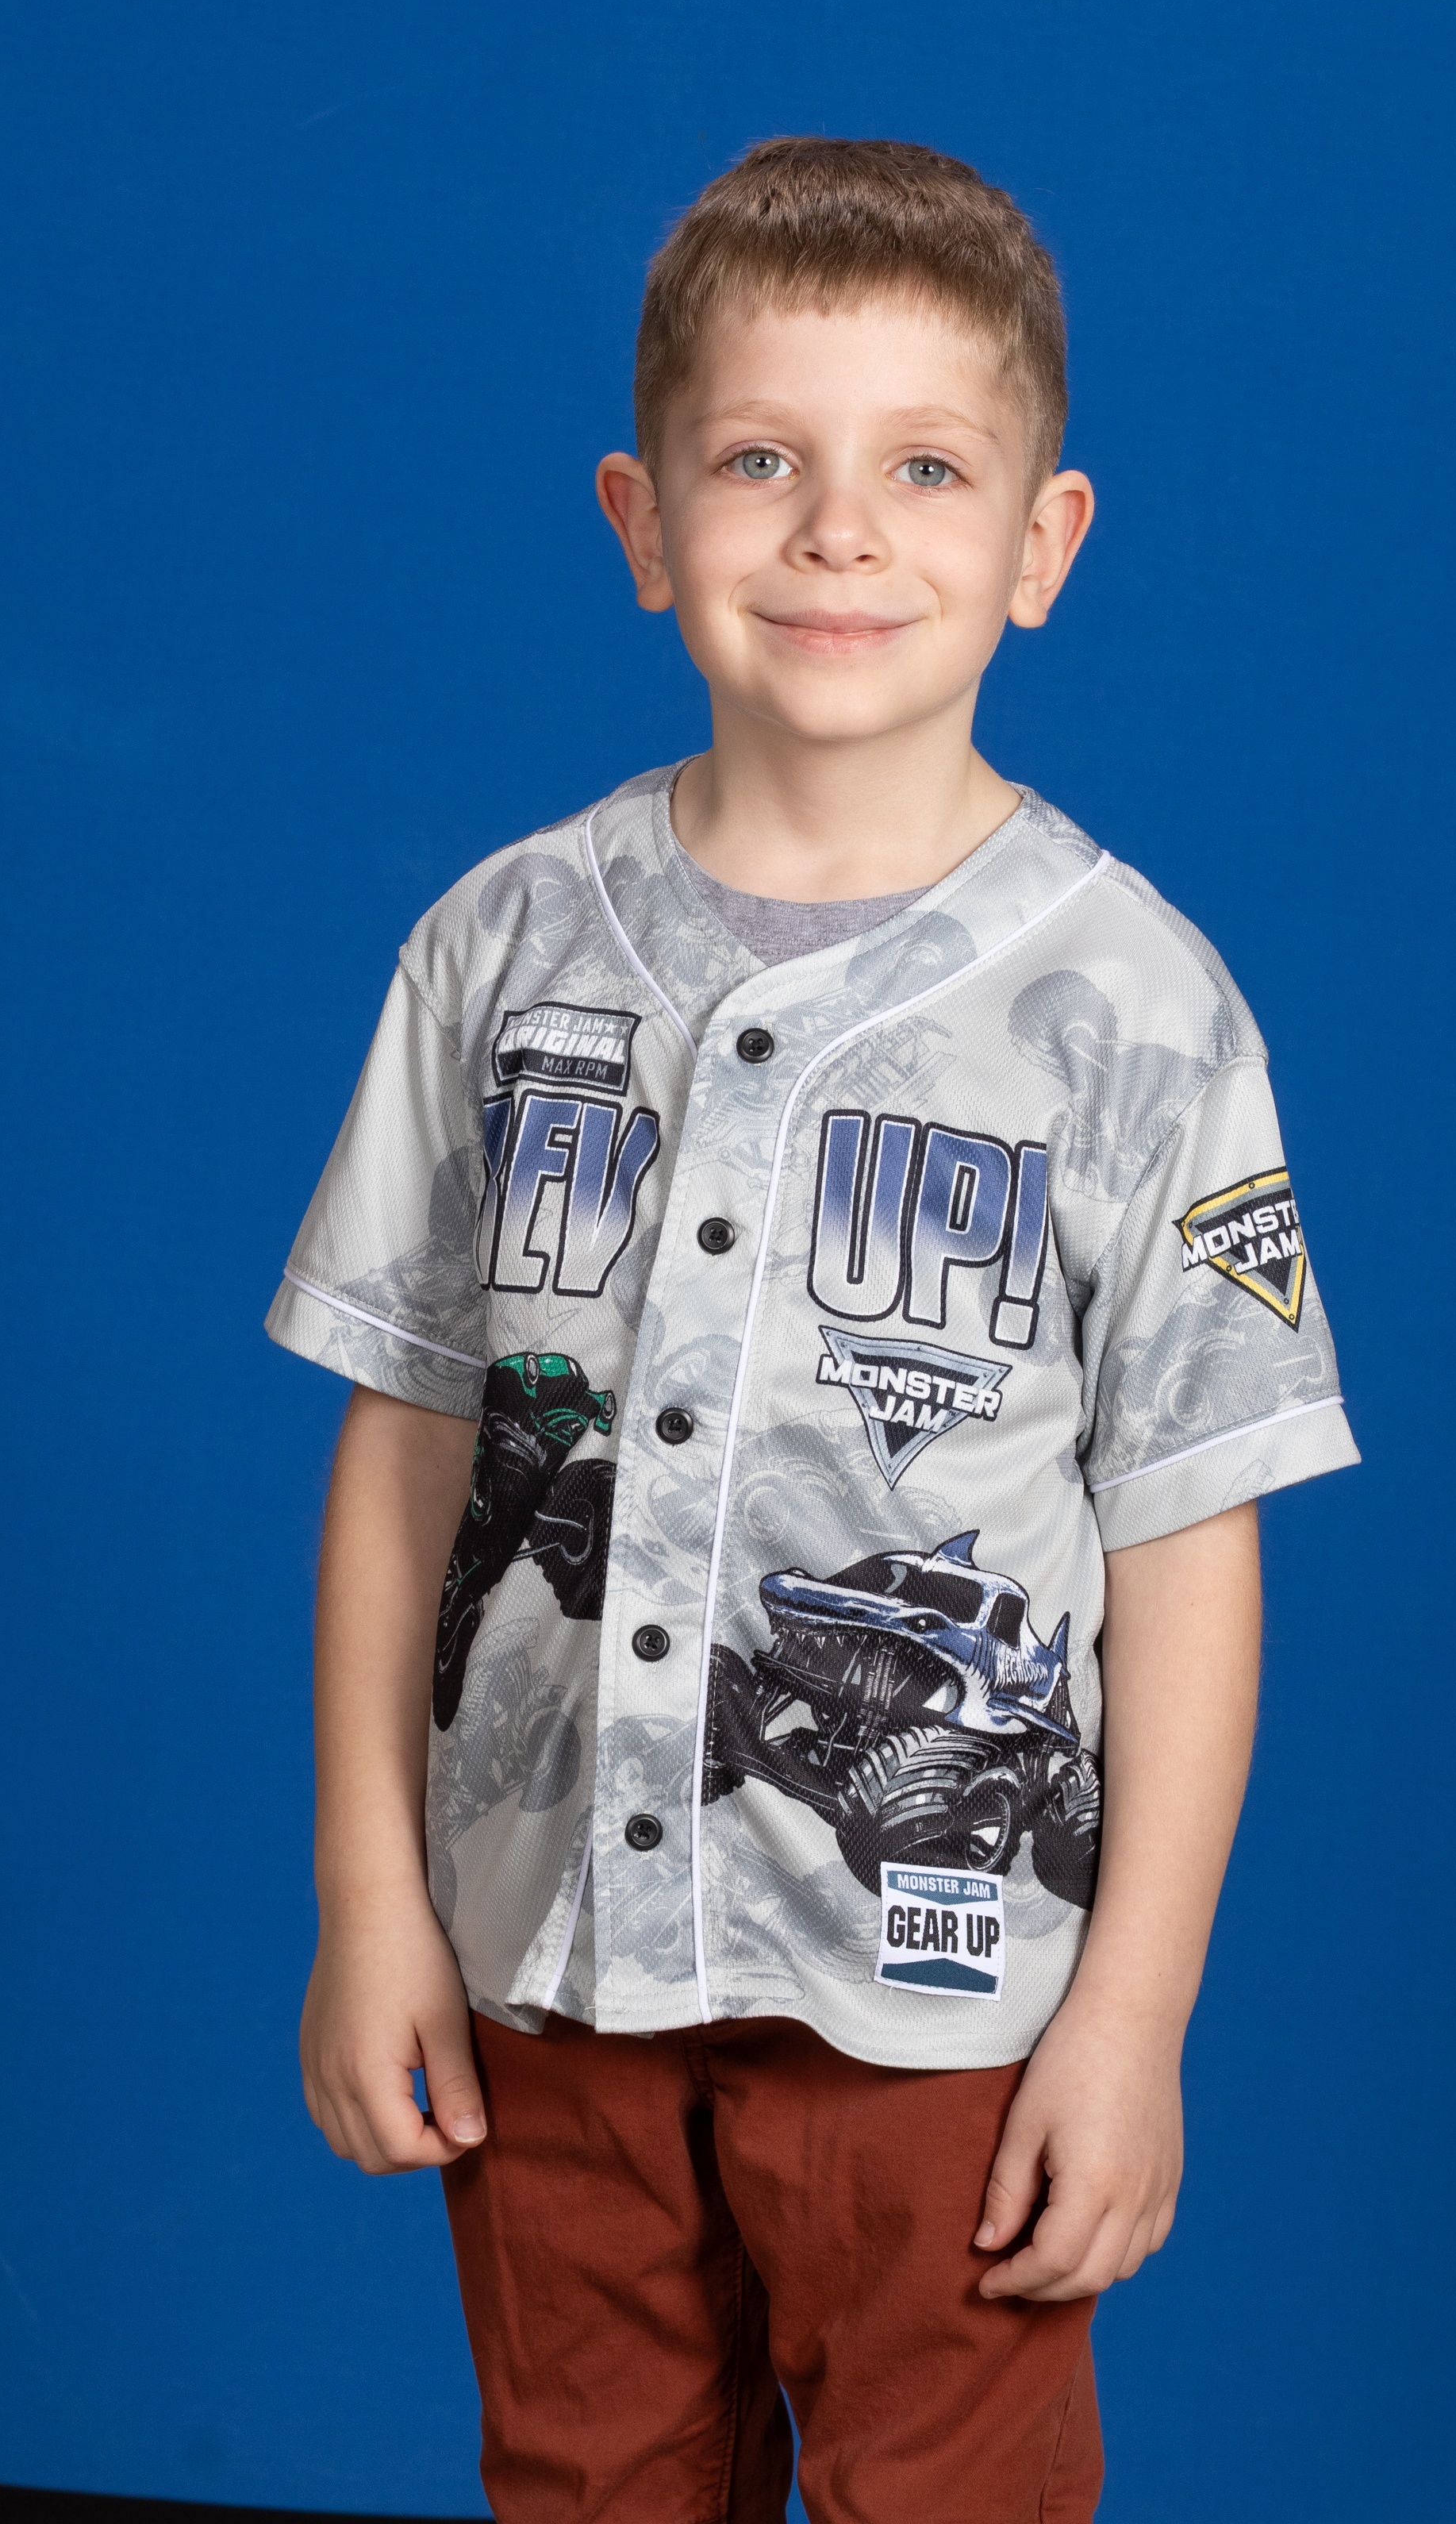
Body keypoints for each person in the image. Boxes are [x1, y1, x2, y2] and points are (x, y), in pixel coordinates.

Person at [266, 136, 1358, 2522]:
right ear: (643, 523)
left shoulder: (1138, 1013)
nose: (840, 533)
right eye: (760, 460)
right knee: (585, 2486)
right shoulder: (498, 949)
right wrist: (371, 1898)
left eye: (925, 471)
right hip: (547, 1954)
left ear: (1043, 543)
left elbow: (1187, 1539)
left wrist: (1136, 2017)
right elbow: (417, 1453)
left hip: (944, 2014)